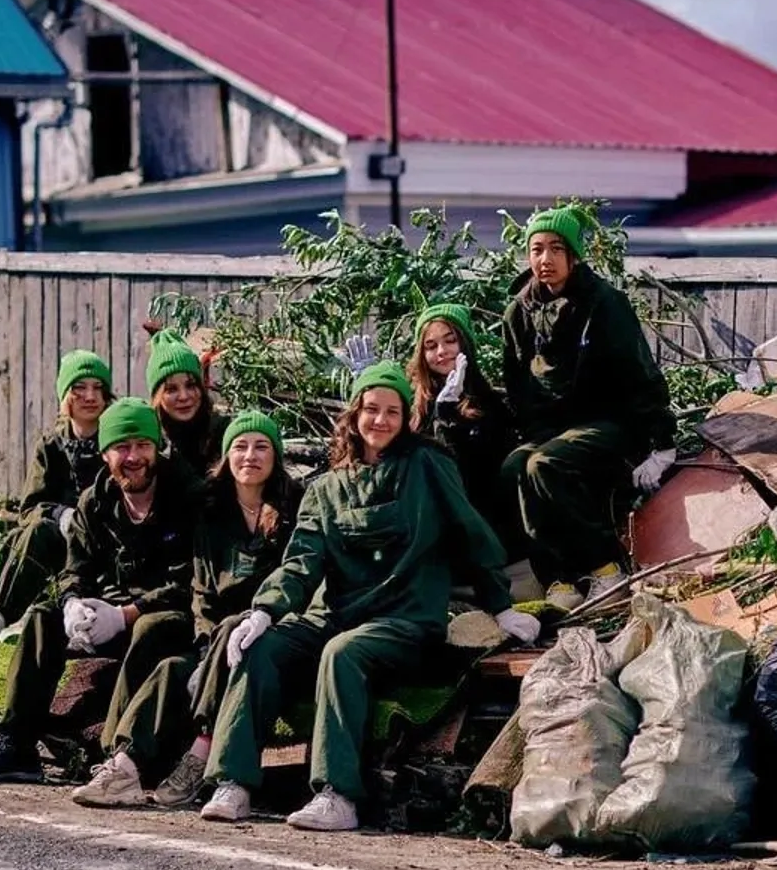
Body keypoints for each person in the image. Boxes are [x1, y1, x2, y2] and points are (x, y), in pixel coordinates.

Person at [198, 363, 539, 831]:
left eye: (392, 412)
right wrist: (264, 610)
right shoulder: (325, 488)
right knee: (261, 646)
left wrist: (501, 606)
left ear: (405, 418)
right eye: (371, 409)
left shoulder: (427, 467)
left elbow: (470, 532)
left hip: (406, 620)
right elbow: (301, 562)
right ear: (355, 414)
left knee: (342, 654)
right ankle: (233, 783)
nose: (380, 420)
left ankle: (338, 796)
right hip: (335, 614)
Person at [0, 398, 201, 785]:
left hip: (162, 615)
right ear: (105, 454)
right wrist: (74, 605)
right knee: (42, 616)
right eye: (122, 447)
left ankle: (119, 755)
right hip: (105, 610)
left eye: (142, 444)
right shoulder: (95, 500)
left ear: (158, 447)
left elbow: (189, 584)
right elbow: (76, 568)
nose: (133, 456)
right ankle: (16, 745)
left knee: (151, 627)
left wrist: (123, 616)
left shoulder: (190, 495)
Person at [71, 410, 304, 808]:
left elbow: (299, 578)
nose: (250, 456)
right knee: (172, 670)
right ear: (227, 457)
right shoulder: (212, 514)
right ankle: (125, 765)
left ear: (275, 457)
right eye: (240, 446)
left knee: (234, 626)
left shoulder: (295, 508)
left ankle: (200, 754)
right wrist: (204, 649)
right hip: (217, 644)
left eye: (261, 446)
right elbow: (202, 594)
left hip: (277, 638)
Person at [500, 206, 678, 613]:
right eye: (536, 249)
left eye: (556, 249)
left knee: (544, 465)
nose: (545, 260)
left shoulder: (604, 304)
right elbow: (517, 384)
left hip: (610, 422)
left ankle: (606, 570)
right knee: (515, 466)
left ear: (574, 255)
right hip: (554, 428)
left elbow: (639, 372)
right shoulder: (520, 312)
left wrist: (661, 441)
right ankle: (559, 579)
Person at [0, 350, 113, 646]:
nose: (90, 396)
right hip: (58, 542)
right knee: (16, 538)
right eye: (79, 388)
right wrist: (61, 516)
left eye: (98, 388)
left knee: (38, 531)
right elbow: (30, 507)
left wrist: (75, 518)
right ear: (64, 396)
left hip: (99, 541)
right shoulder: (52, 446)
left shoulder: (115, 439)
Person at [405, 303, 522, 562]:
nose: (442, 352)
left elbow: (462, 475)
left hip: (475, 528)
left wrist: (448, 416)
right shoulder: (416, 408)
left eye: (450, 341)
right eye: (431, 346)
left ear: (465, 345)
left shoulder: (489, 405)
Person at [146, 330, 228, 475]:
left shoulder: (224, 433)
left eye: (190, 385)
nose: (183, 396)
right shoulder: (149, 442)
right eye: (171, 389)